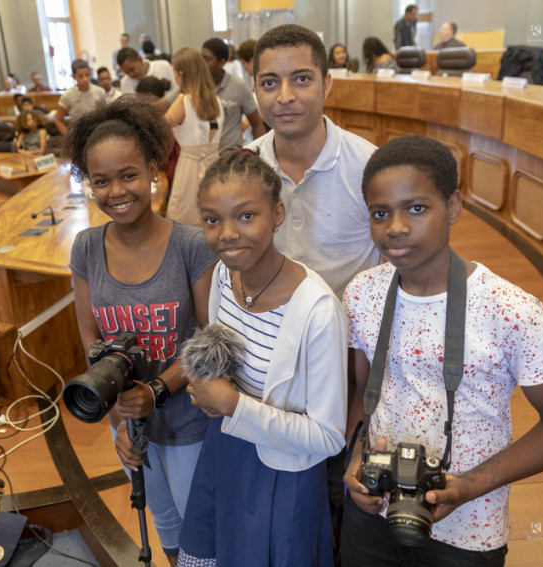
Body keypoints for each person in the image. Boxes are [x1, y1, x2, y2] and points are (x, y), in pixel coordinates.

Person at [341, 135, 543, 566]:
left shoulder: (511, 310)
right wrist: (356, 461)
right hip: (374, 514)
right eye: (380, 213)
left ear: (453, 206)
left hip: (469, 529)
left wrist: (471, 485)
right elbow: (361, 392)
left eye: (416, 208)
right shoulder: (362, 293)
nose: (395, 226)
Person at [65, 96, 216, 566]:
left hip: (189, 421)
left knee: (200, 528)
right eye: (101, 181)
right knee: (163, 522)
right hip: (129, 424)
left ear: (154, 168)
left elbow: (210, 344)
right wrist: (117, 420)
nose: (116, 191)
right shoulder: (86, 247)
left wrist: (156, 390)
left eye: (128, 175)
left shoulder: (191, 245)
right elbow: (92, 341)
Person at [178, 149, 347, 566]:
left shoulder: (317, 309)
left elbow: (328, 436)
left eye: (246, 216)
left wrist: (234, 405)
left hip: (283, 472)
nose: (227, 234)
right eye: (212, 220)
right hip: (224, 450)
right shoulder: (224, 275)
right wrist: (210, 394)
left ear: (277, 214)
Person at [247, 24, 379, 297]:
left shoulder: (371, 167)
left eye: (302, 79)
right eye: (270, 83)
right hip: (265, 330)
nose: (285, 97)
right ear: (256, 90)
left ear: (326, 85)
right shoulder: (242, 167)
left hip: (348, 334)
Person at [165, 47, 224, 227]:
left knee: (185, 221)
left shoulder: (184, 101)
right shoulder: (217, 101)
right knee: (215, 217)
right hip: (214, 165)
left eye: (174, 72)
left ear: (180, 73)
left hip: (190, 166)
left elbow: (160, 128)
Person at [201, 37, 266, 151]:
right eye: (201, 59)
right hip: (202, 159)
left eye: (207, 59)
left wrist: (261, 154)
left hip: (230, 159)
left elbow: (257, 124)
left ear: (221, 62)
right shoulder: (195, 87)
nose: (202, 64)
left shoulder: (238, 86)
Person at [55, 59, 107, 136]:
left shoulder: (100, 92)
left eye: (87, 75)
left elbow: (105, 114)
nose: (85, 79)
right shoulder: (67, 95)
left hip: (98, 132)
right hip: (78, 134)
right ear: (73, 76)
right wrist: (68, 136)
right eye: (81, 76)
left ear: (91, 74)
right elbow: (58, 120)